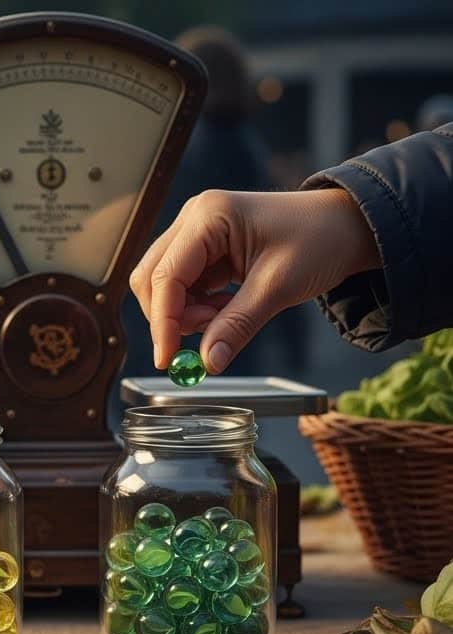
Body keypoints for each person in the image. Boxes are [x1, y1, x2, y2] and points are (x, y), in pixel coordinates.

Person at [130, 122, 453, 374]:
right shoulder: (247, 142)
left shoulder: (187, 148)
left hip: (230, 274)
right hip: (233, 277)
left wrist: (356, 217)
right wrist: (357, 219)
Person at [123, 27, 304, 382]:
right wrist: (294, 340)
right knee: (226, 428)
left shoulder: (164, 145)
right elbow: (273, 244)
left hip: (159, 310)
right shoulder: (245, 145)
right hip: (232, 313)